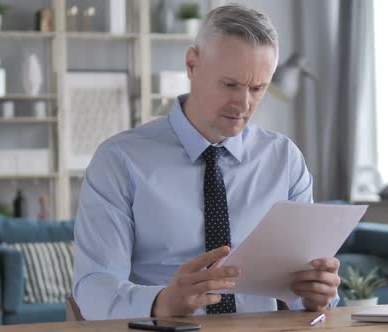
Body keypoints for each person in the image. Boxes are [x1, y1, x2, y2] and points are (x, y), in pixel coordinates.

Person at [73, 4, 340, 320]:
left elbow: (306, 298)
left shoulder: (285, 161)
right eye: (230, 85)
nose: (243, 104)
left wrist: (318, 293)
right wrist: (162, 303)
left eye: (258, 88)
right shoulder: (119, 161)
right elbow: (93, 289)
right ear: (192, 64)